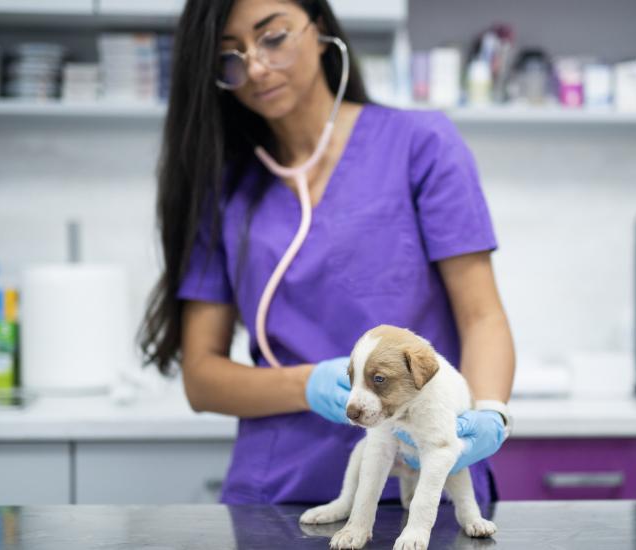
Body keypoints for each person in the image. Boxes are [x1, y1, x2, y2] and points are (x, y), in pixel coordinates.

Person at [139, 0, 515, 510]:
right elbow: (202, 379)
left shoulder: (421, 145)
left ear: (319, 29)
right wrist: (308, 384)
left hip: (423, 478)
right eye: (230, 56)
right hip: (280, 493)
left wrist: (490, 412)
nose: (254, 67)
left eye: (273, 38)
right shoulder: (226, 189)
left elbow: (482, 317)